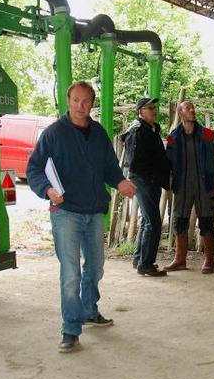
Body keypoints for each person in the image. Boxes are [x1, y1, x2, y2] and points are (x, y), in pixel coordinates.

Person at [27, 81, 137, 353]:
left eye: (86, 101)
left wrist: (120, 182)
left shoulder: (98, 133)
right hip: (65, 213)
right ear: (68, 101)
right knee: (71, 273)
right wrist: (47, 189)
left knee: (96, 266)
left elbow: (110, 168)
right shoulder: (54, 133)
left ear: (92, 104)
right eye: (76, 100)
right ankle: (70, 329)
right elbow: (34, 169)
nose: (81, 106)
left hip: (93, 211)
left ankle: (89, 310)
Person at [162, 101, 214, 274]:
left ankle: (209, 261)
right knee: (179, 221)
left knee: (206, 221)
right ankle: (180, 260)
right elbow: (169, 161)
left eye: (193, 107)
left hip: (204, 185)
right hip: (182, 185)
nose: (192, 110)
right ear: (180, 113)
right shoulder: (173, 137)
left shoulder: (207, 134)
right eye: (188, 108)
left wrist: (209, 174)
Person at [122, 96, 171, 277]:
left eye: (154, 107)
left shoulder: (150, 129)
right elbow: (135, 162)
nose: (154, 110)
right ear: (140, 112)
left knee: (147, 221)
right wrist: (151, 177)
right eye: (149, 108)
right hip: (144, 180)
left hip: (149, 179)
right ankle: (146, 264)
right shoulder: (138, 131)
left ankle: (139, 258)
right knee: (154, 222)